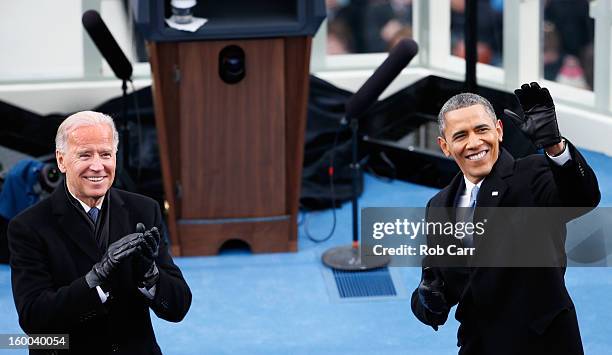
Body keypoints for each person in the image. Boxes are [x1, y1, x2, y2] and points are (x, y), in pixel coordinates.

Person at [411, 83, 600, 354]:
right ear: (445, 146)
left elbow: (582, 198)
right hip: (479, 344)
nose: (474, 143)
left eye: (482, 129)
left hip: (543, 342)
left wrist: (555, 146)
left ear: (499, 130)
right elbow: (436, 281)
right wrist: (427, 301)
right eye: (461, 135)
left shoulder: (533, 173)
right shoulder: (440, 206)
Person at [8, 111, 192, 354]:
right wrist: (92, 281)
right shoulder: (28, 227)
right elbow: (34, 321)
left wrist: (151, 275)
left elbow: (178, 308)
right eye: (85, 155)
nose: (98, 166)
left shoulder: (144, 210)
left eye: (105, 154)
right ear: (61, 160)